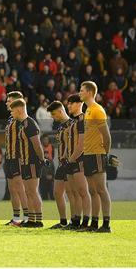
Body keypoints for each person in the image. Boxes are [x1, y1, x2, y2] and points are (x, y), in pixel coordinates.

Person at [79, 81, 112, 233]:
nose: (80, 92)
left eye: (82, 90)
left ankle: (106, 225)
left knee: (101, 189)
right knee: (92, 190)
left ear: (90, 93)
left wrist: (106, 154)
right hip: (88, 155)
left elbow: (107, 136)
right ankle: (94, 223)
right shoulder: (88, 110)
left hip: (97, 154)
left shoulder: (98, 110)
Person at [10, 98, 46, 227]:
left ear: (19, 109)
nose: (11, 113)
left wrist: (42, 160)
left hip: (32, 162)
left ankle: (38, 220)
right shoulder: (22, 124)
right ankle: (31, 219)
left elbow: (37, 145)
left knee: (33, 191)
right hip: (25, 162)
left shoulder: (29, 124)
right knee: (28, 192)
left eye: (12, 110)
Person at [47, 101, 75, 228]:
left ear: (60, 111)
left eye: (53, 114)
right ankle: (63, 221)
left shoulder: (72, 124)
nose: (53, 117)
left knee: (71, 192)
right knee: (57, 192)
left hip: (70, 163)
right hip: (61, 164)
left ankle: (74, 221)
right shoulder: (60, 127)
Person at [66, 94, 92, 230]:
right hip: (71, 160)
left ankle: (85, 221)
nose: (68, 106)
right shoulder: (73, 121)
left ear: (79, 104)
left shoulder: (82, 119)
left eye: (71, 103)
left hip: (79, 159)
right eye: (68, 103)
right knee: (74, 192)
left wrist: (71, 159)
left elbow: (81, 145)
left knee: (82, 191)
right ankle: (75, 221)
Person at [3, 91, 29, 226]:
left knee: (20, 187)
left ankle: (27, 217)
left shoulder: (21, 120)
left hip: (18, 157)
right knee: (12, 188)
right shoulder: (10, 119)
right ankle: (16, 217)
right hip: (9, 158)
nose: (7, 102)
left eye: (9, 100)